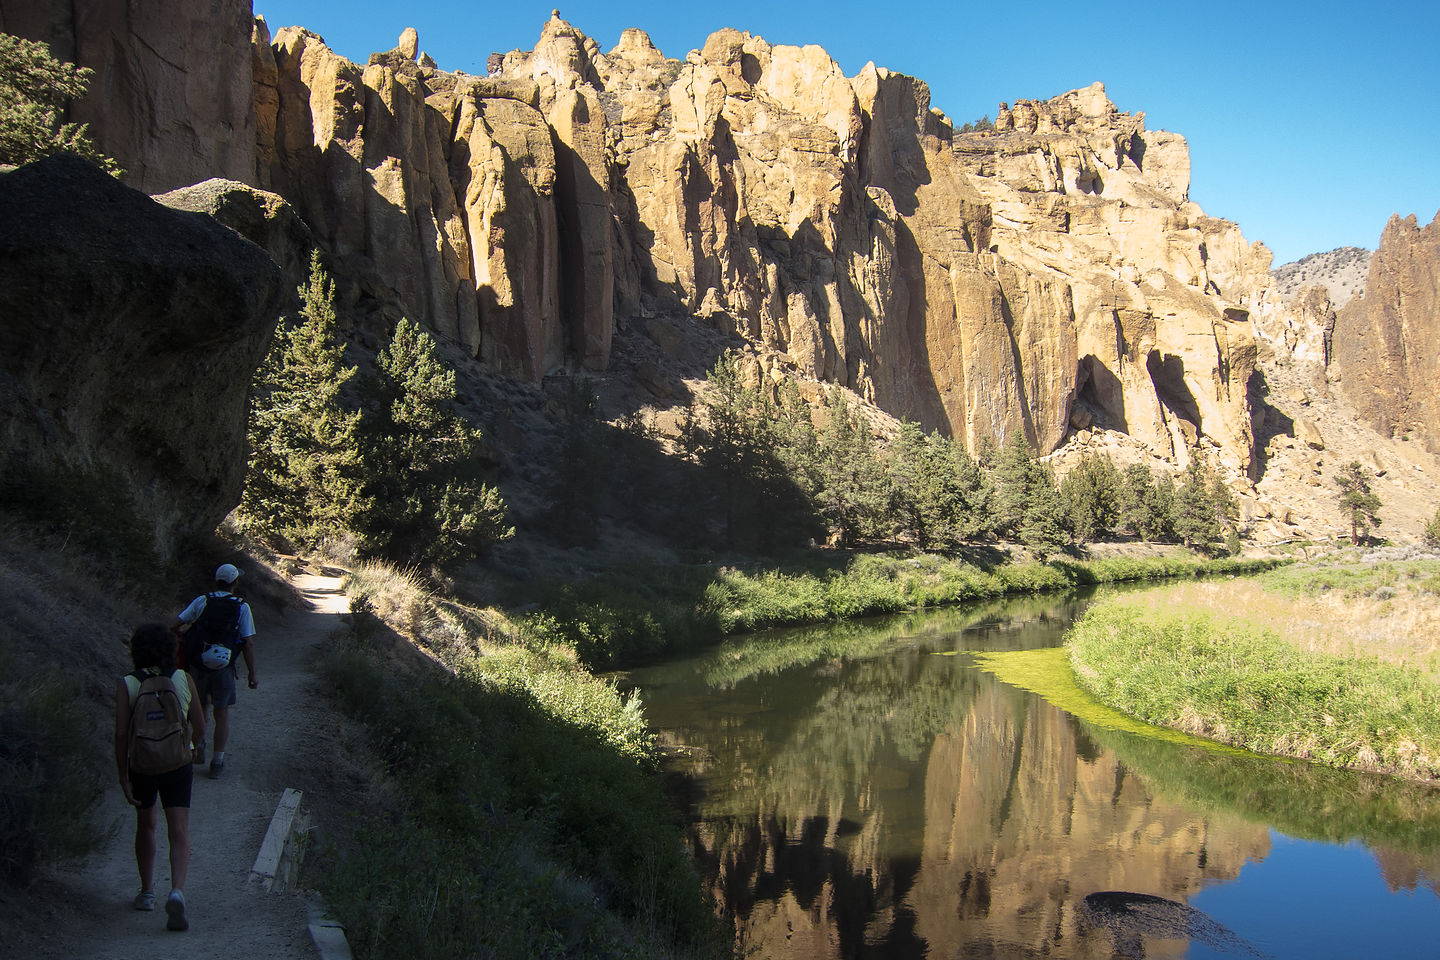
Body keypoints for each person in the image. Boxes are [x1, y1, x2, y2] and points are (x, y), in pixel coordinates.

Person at [114, 623, 205, 931]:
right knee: (178, 829)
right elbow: (201, 724)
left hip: (142, 765)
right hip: (177, 762)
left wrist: (123, 777)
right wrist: (191, 746)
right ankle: (177, 890)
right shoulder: (182, 678)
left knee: (146, 825)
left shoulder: (128, 683)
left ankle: (147, 892)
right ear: (170, 649)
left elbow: (122, 735)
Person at [175, 563, 257, 779]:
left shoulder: (203, 600)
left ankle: (197, 746)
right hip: (224, 665)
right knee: (221, 713)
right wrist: (252, 673)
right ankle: (217, 761)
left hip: (198, 664)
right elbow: (247, 643)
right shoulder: (242, 606)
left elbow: (176, 623)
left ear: (216, 580)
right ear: (235, 583)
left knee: (198, 708)